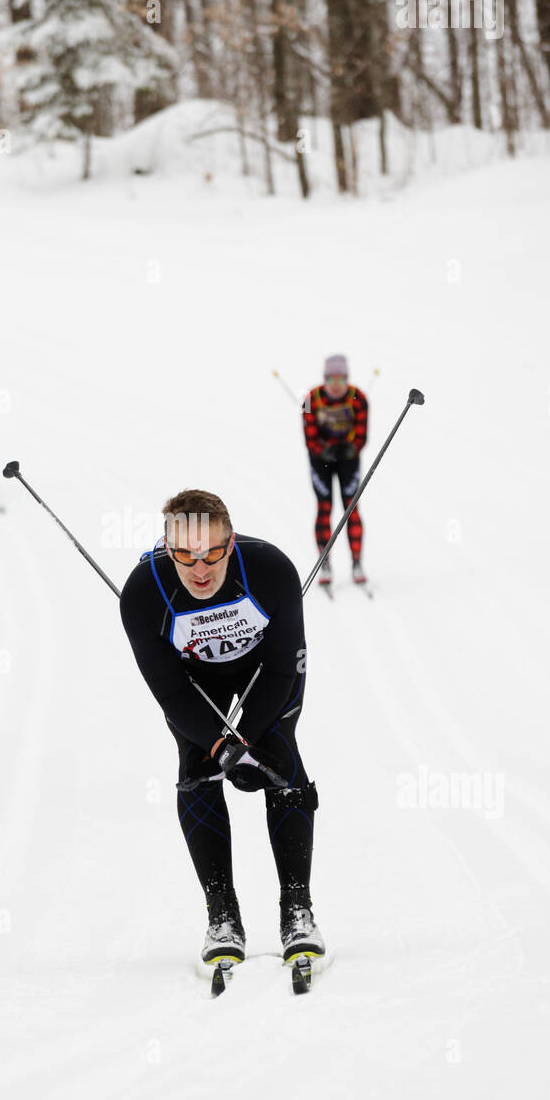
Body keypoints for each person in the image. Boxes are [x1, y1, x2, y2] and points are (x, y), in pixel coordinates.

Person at [120, 489, 323, 969]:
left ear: (230, 543)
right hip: (195, 683)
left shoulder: (271, 570)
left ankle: (297, 909)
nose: (200, 569)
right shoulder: (143, 594)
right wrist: (221, 748)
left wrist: (246, 744)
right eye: (185, 556)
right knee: (199, 769)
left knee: (278, 757)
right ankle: (222, 916)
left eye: (212, 553)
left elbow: (282, 669)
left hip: (264, 672)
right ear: (167, 548)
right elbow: (170, 691)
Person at [302, 353, 369, 585]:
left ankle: (357, 561)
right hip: (320, 460)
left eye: (341, 379)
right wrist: (322, 450)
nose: (336, 385)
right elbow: (309, 437)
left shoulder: (359, 398)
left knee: (351, 507)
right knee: (325, 506)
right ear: (325, 379)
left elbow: (362, 435)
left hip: (348, 459)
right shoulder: (310, 399)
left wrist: (351, 448)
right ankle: (325, 563)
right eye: (331, 379)